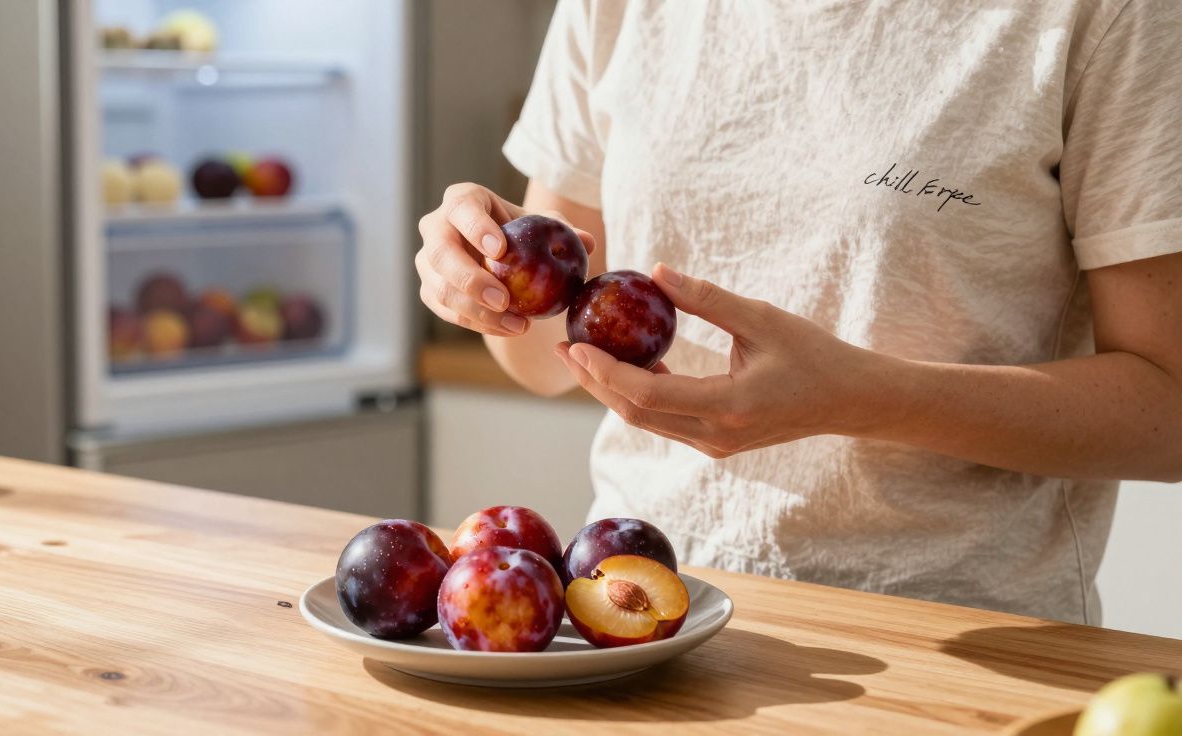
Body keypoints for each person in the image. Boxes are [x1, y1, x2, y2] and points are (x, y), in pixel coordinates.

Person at [414, 0, 1182, 624]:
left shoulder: (1111, 15)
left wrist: (859, 398)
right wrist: (486, 278)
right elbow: (537, 353)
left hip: (956, 642)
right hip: (640, 616)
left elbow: (1168, 409)